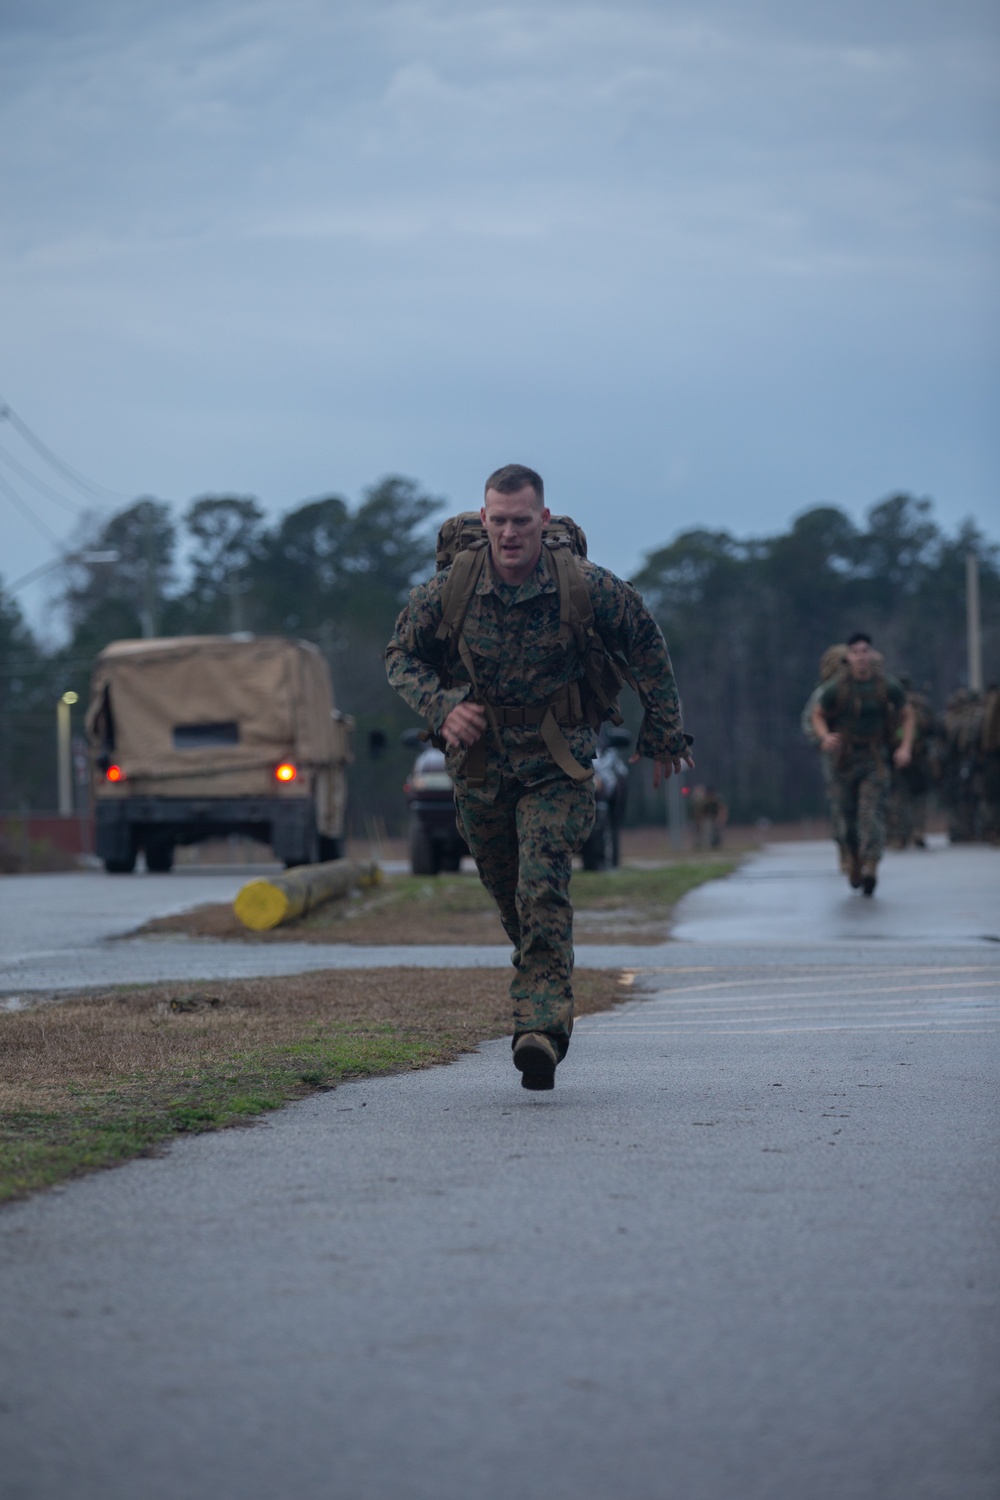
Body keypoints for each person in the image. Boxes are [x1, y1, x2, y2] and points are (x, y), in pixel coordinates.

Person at [386, 463, 693, 1091]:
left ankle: (541, 1030)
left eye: (521, 522)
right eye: (496, 521)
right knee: (514, 900)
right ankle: (544, 991)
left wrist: (662, 733)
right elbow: (400, 656)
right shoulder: (452, 587)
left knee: (542, 885)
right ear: (483, 518)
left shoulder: (584, 585)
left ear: (543, 520)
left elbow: (645, 644)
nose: (508, 534)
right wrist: (443, 705)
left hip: (559, 762)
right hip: (480, 769)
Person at [811, 631, 915, 896]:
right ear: (848, 657)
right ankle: (855, 859)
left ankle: (871, 866)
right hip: (844, 759)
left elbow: (907, 714)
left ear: (871, 655)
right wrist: (825, 736)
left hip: (874, 756)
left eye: (865, 651)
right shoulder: (837, 687)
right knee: (846, 818)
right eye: (856, 652)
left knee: (871, 814)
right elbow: (817, 714)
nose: (861, 657)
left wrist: (904, 747)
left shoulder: (885, 685)